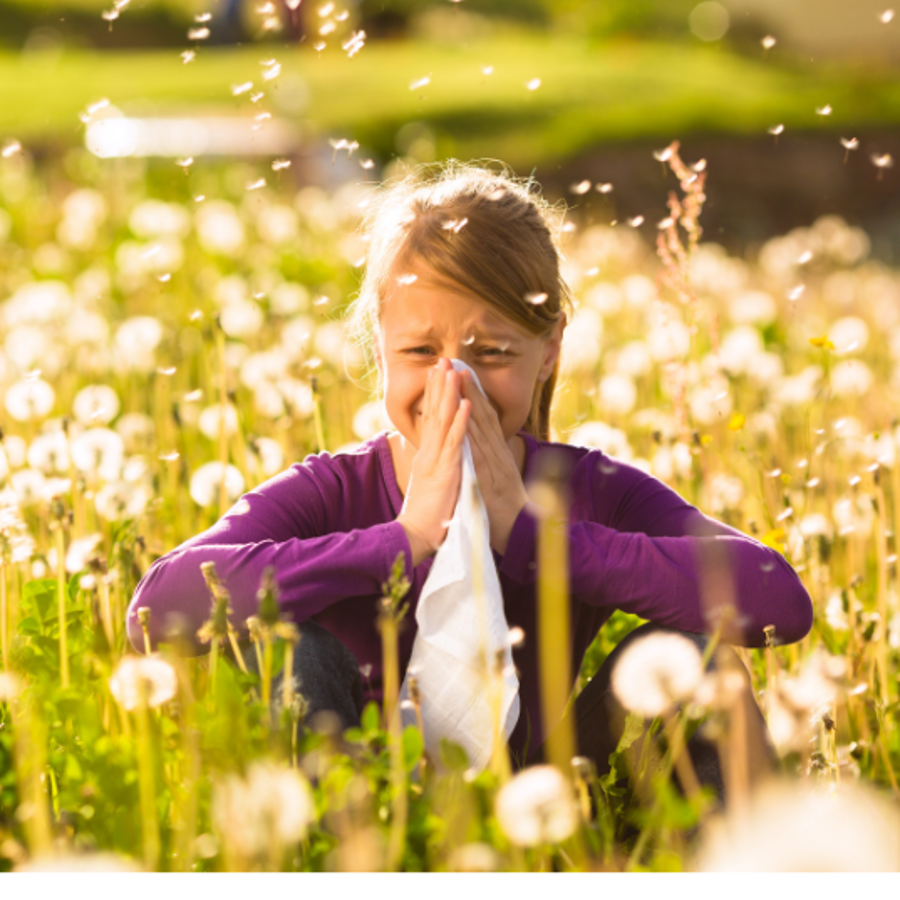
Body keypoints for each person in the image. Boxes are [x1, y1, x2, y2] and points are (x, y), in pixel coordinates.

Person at [127, 162, 812, 785]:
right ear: (380, 348)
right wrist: (403, 538)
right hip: (356, 790)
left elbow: (779, 600)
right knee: (288, 650)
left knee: (698, 659)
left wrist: (539, 539)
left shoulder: (587, 491)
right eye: (421, 350)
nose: (453, 383)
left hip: (548, 790)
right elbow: (157, 610)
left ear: (549, 352)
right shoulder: (334, 490)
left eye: (491, 352)